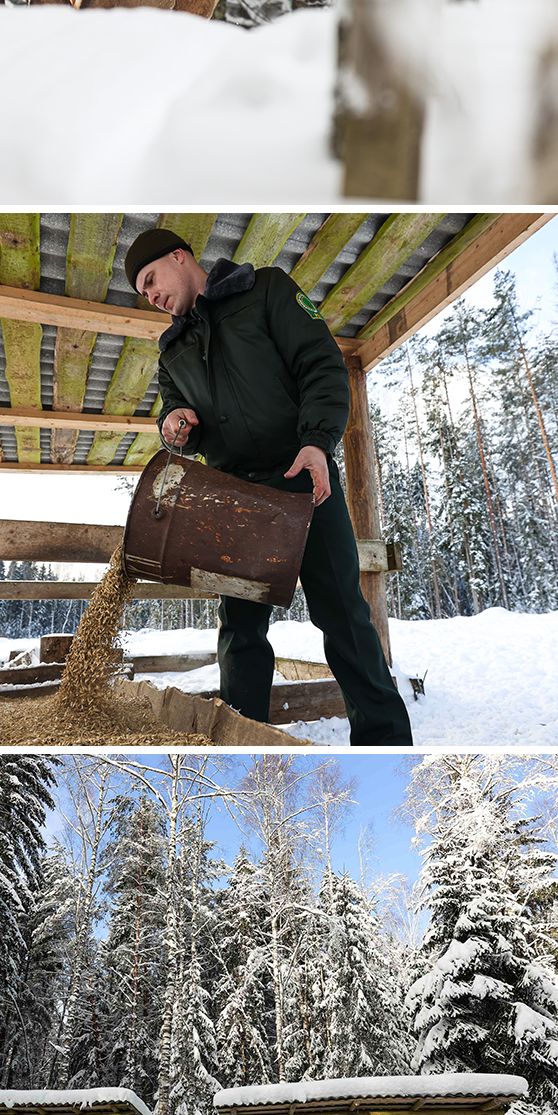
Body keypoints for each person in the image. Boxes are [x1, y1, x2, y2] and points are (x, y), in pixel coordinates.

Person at [125, 224, 412, 744]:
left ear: (179, 256)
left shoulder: (265, 290)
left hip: (304, 477)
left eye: (150, 280)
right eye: (143, 294)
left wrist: (318, 441)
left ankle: (384, 743)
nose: (151, 296)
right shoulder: (173, 352)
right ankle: (242, 745)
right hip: (237, 500)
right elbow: (175, 412)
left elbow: (320, 364)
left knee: (345, 619)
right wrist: (174, 424)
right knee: (240, 632)